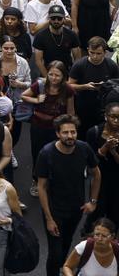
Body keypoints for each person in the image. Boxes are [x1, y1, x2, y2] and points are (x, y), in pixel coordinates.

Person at [37, 114, 102, 276]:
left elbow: (97, 174)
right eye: (65, 132)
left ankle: (61, 268)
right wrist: (49, 218)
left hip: (76, 209)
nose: (70, 136)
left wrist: (93, 201)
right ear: (58, 134)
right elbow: (42, 187)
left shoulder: (84, 148)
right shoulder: (46, 153)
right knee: (55, 253)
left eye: (73, 132)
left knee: (66, 245)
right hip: (54, 211)